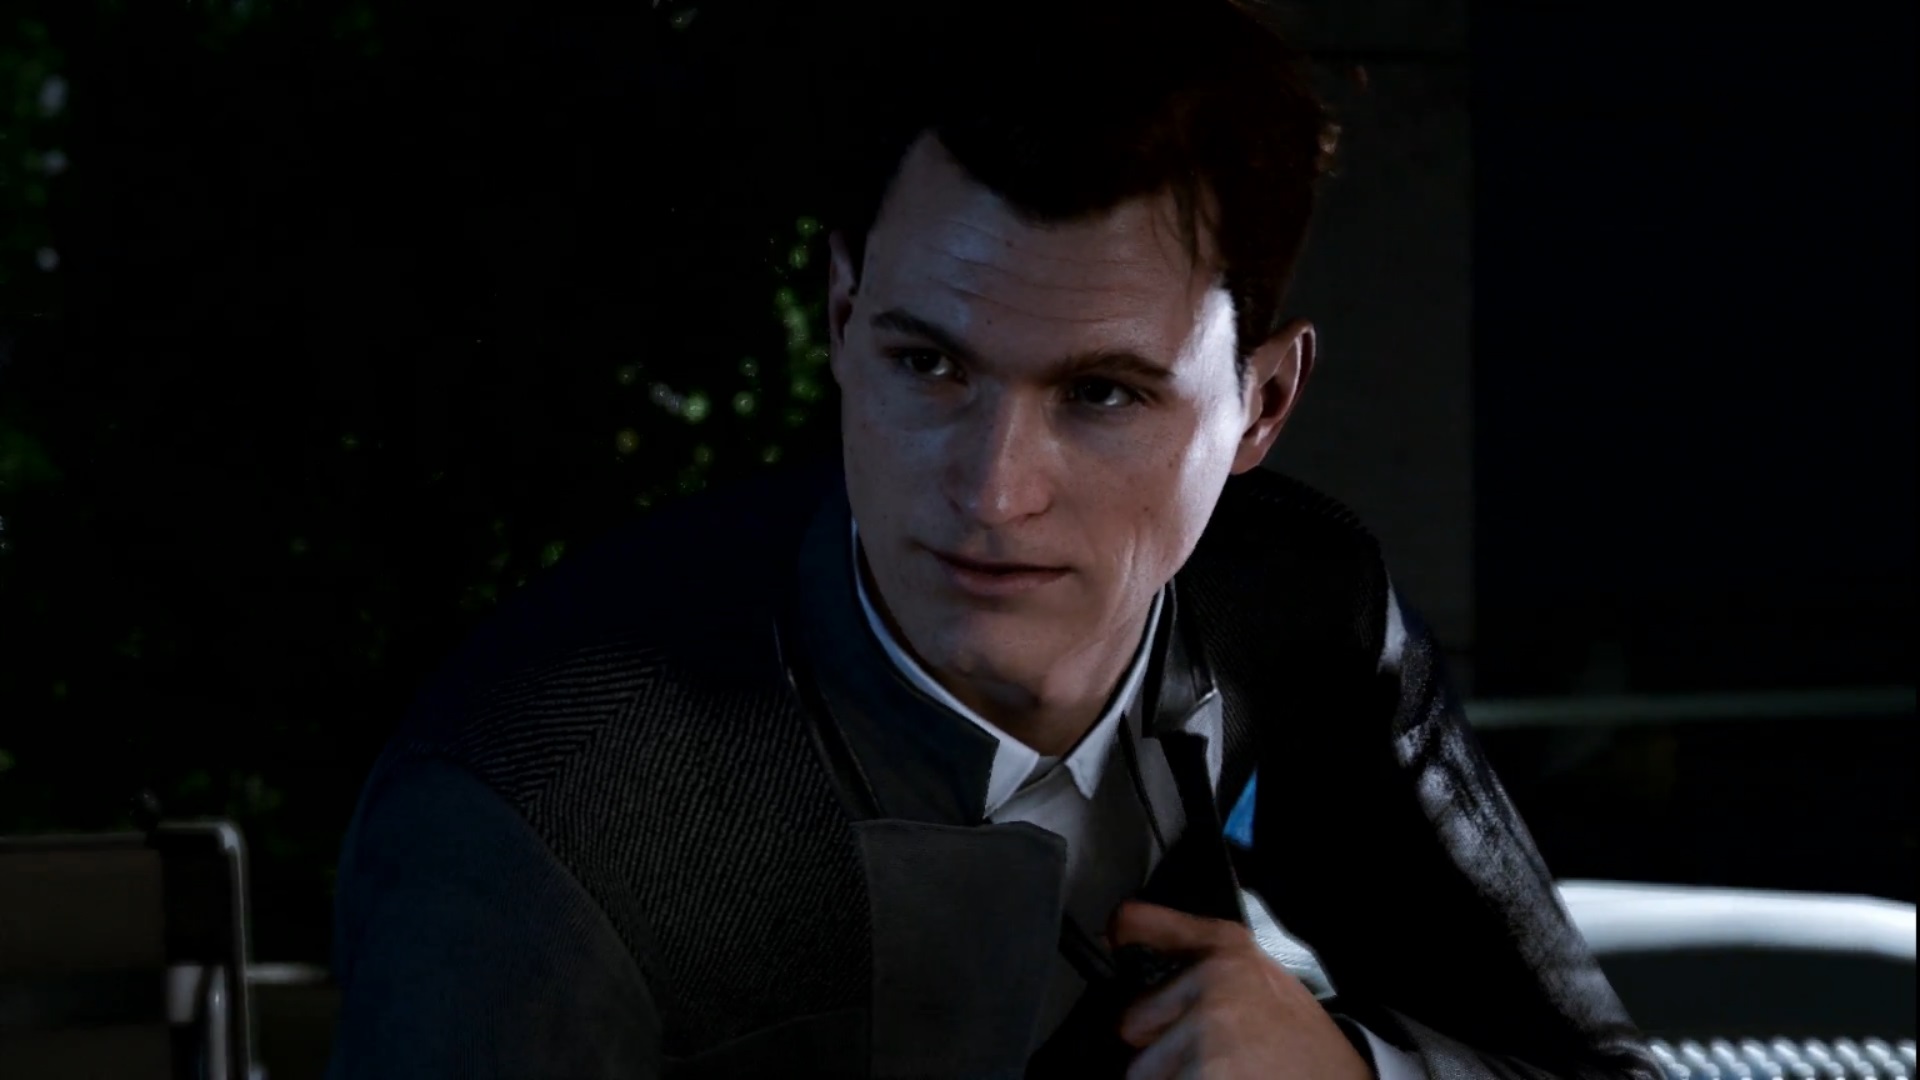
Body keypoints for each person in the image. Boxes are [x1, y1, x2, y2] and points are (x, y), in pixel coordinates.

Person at [326, 2, 1662, 1076]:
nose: (994, 491)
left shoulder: (1297, 600)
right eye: (929, 365)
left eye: (1104, 394)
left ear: (1261, 406)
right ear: (843, 317)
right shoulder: (542, 809)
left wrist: (1352, 1071)